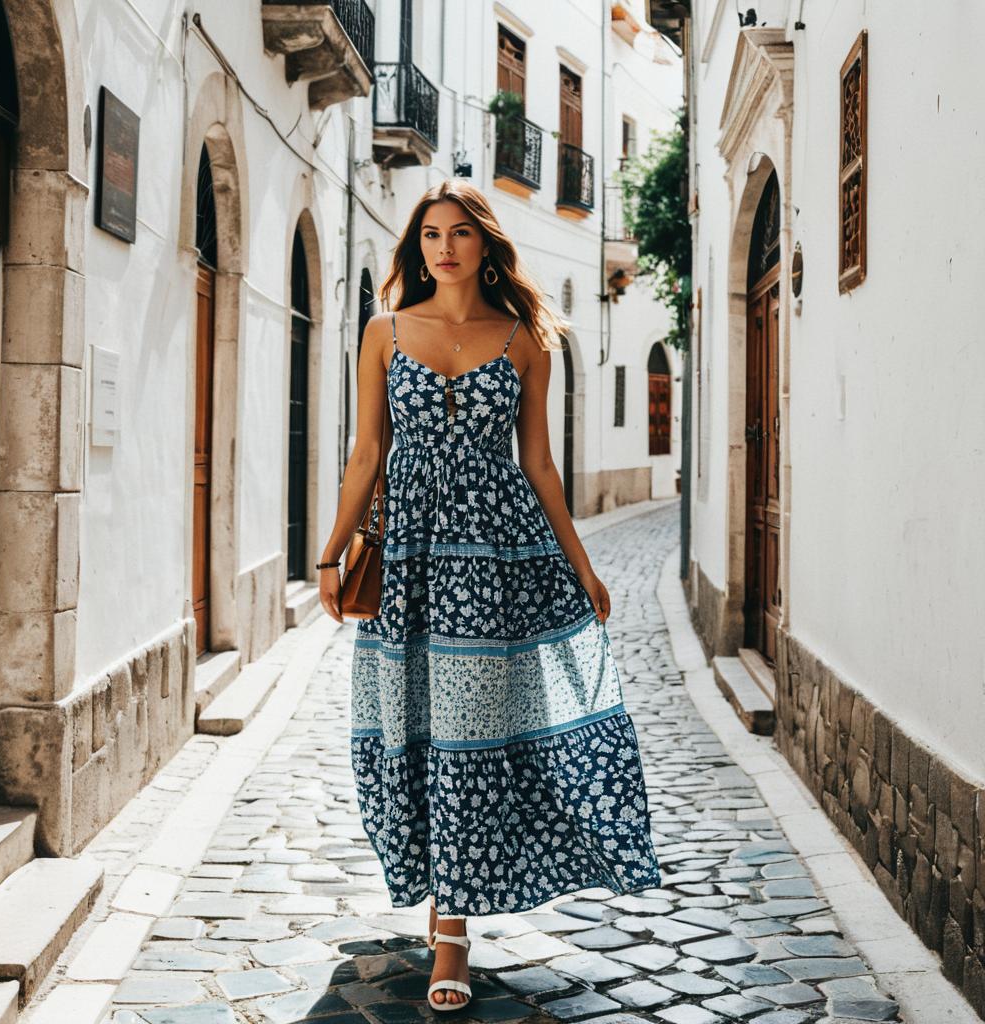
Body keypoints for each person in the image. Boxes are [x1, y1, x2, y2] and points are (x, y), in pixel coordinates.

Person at [318, 180, 660, 1012]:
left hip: (501, 559)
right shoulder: (384, 331)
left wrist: (582, 563)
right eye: (431, 233)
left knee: (474, 740)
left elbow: (540, 463)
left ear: (485, 244)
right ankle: (439, 907)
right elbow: (368, 452)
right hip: (410, 563)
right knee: (416, 733)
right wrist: (331, 554)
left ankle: (453, 939)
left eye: (460, 233)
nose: (444, 247)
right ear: (418, 246)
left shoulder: (523, 340)